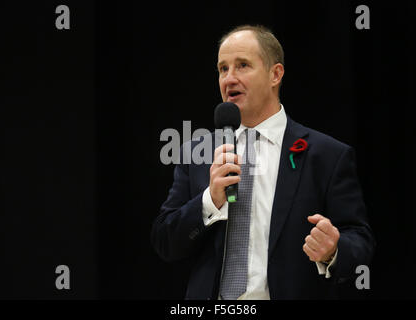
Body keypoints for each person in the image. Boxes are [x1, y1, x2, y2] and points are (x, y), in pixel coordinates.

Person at [151, 25, 375, 300]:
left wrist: (334, 249)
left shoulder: (326, 155)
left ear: (275, 74)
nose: (229, 79)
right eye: (223, 69)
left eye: (242, 65)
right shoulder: (197, 153)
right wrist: (209, 201)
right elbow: (165, 242)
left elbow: (360, 242)